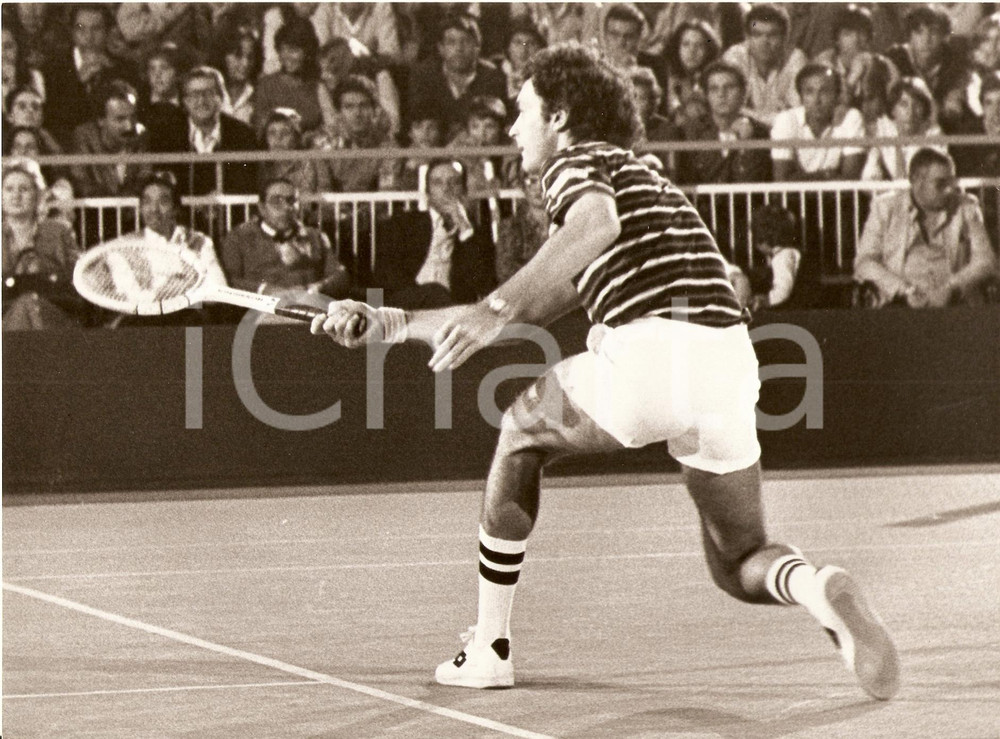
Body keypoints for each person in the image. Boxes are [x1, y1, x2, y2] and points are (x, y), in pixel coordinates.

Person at [312, 43, 901, 701]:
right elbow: (540, 298)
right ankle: (818, 587)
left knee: (519, 430)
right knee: (738, 560)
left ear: (560, 116)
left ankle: (488, 646)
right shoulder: (646, 178)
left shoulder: (578, 163)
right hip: (730, 363)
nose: (512, 128)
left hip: (651, 353)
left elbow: (588, 228)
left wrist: (494, 304)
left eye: (523, 111)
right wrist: (387, 322)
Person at [854, 147, 998, 308]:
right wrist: (902, 289)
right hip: (898, 305)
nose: (950, 189)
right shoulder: (885, 208)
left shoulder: (966, 207)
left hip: (956, 306)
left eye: (952, 181)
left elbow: (986, 260)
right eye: (941, 183)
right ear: (916, 181)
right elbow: (865, 262)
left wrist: (952, 287)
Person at [363, 158, 497, 309]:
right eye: (438, 183)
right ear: (428, 193)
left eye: (454, 182)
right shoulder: (404, 224)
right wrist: (374, 319)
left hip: (452, 309)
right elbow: (381, 277)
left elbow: (484, 285)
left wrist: (464, 229)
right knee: (434, 291)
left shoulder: (474, 234)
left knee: (440, 295)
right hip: (407, 305)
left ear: (464, 191)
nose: (446, 189)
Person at [221, 177, 351, 306]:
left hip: (310, 309)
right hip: (261, 312)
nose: (286, 207)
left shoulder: (315, 236)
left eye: (291, 200)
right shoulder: (239, 238)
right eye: (276, 201)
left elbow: (340, 275)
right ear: (262, 208)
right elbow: (230, 281)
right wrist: (264, 290)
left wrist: (317, 288)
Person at [147, 66, 258, 199]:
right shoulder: (167, 136)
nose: (201, 100)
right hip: (183, 216)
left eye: (208, 93)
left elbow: (247, 183)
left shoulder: (243, 134)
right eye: (194, 94)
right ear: (185, 101)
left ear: (220, 97)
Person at [41, 4, 137, 148]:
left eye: (96, 29)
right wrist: (78, 83)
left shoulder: (124, 69)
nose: (88, 36)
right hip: (66, 151)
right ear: (72, 32)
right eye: (81, 28)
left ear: (107, 32)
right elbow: (52, 119)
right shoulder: (53, 69)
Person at [2, 162, 83, 330]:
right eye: (9, 189)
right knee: (25, 305)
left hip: (51, 315)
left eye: (23, 189)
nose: (16, 196)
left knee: (30, 303)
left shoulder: (59, 231)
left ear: (38, 195)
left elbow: (78, 278)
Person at [407, 12, 507, 141]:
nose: (459, 48)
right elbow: (420, 121)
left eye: (465, 41)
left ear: (477, 47)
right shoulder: (423, 76)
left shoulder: (493, 78)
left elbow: (494, 123)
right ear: (441, 48)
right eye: (451, 42)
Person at [676, 61, 772, 186]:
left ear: (744, 93)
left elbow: (752, 186)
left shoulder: (761, 132)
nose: (721, 94)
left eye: (730, 87)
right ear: (706, 95)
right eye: (714, 89)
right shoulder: (689, 131)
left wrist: (746, 144)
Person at [771, 64, 866, 182]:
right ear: (801, 97)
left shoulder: (851, 117)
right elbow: (782, 180)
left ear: (837, 96)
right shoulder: (786, 119)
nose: (817, 100)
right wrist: (827, 175)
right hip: (795, 200)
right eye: (809, 92)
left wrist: (803, 179)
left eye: (825, 91)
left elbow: (850, 179)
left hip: (837, 199)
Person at [722, 4, 807, 126]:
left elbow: (798, 113)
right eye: (757, 35)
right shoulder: (735, 56)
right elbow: (729, 108)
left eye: (772, 35)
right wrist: (778, 118)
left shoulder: (795, 58)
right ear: (747, 38)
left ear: (785, 38)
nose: (764, 42)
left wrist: (751, 115)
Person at [862, 77, 945, 181]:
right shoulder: (884, 129)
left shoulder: (934, 134)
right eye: (903, 104)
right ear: (893, 110)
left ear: (924, 110)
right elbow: (868, 178)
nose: (910, 112)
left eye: (917, 105)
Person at [252, 17, 324, 137]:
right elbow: (259, 129)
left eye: (293, 50)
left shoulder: (318, 87)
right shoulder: (266, 85)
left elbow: (329, 127)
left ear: (308, 52)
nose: (286, 56)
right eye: (282, 50)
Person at [747, 203, 808, 310]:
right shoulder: (791, 252)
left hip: (795, 312)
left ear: (764, 240)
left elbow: (783, 290)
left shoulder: (782, 258)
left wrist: (765, 301)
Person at [663, 19, 722, 128]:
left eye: (699, 45)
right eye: (686, 44)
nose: (692, 51)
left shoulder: (715, 77)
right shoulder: (665, 75)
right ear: (677, 47)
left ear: (708, 50)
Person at [494, 172, 548, 284]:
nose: (538, 189)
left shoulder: (565, 222)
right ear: (523, 187)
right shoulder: (511, 226)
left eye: (544, 182)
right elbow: (505, 272)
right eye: (531, 182)